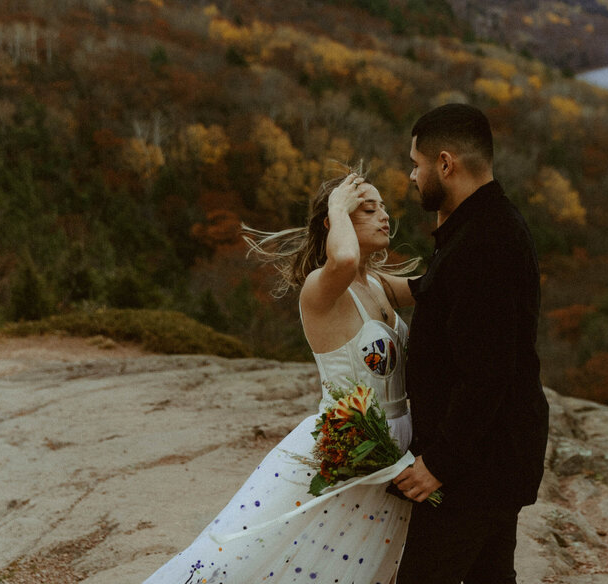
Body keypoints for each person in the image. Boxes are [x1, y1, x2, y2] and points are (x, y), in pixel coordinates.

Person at [141, 166, 419, 584]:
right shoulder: (321, 287)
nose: (384, 217)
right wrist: (338, 206)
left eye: (383, 207)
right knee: (277, 558)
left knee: (358, 566)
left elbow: (440, 284)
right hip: (347, 448)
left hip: (393, 450)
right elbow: (342, 257)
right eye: (367, 209)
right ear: (336, 220)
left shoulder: (379, 284)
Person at [392, 103, 549, 584]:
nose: (411, 175)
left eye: (416, 164)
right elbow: (442, 292)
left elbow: (487, 372)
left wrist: (439, 463)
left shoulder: (485, 243)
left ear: (445, 163)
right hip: (494, 455)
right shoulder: (477, 225)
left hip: (478, 466)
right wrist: (361, 281)